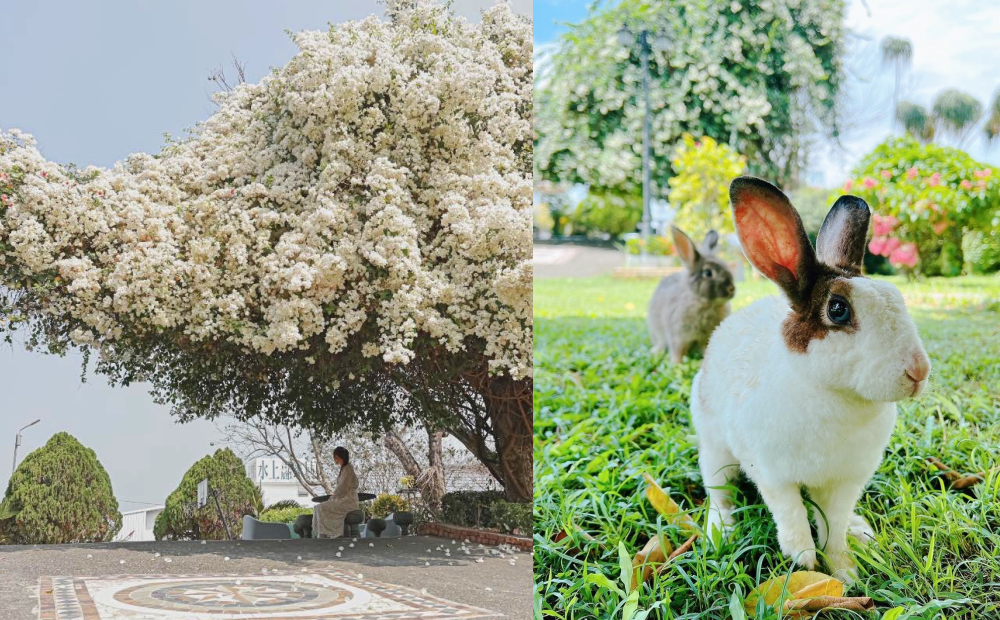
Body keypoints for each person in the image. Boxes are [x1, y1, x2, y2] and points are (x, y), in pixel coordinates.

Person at [312, 447, 360, 538]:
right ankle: (323, 532)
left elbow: (342, 487)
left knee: (321, 507)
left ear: (337, 456)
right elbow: (341, 488)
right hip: (343, 499)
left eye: (334, 457)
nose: (334, 459)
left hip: (349, 501)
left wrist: (333, 497)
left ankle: (331, 532)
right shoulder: (345, 468)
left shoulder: (348, 469)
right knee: (318, 507)